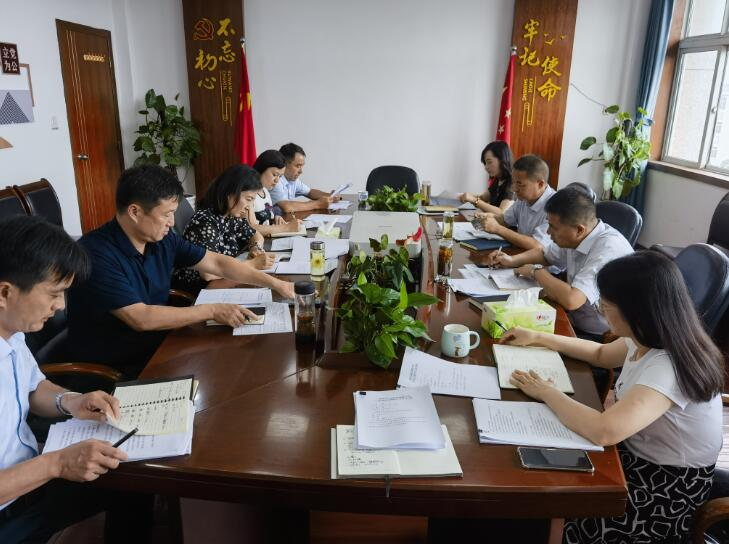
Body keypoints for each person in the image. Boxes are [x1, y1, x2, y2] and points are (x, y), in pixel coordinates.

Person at [503, 251, 723, 544]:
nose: (600, 309)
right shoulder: (647, 335)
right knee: (545, 470)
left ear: (636, 309)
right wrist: (538, 337)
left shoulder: (668, 366)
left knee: (564, 494)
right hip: (635, 453)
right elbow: (600, 353)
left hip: (664, 487)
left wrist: (546, 391)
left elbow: (604, 431)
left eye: (605, 305)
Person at [0, 216, 153, 543]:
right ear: (5, 292)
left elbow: (33, 387)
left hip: (30, 474)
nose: (60, 307)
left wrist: (71, 401)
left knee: (134, 480)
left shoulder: (11, 332)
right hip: (8, 508)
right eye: (54, 294)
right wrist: (56, 464)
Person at [67, 165, 296, 377]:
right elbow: (141, 318)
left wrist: (276, 284)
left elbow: (217, 263)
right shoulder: (95, 254)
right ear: (135, 212)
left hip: (162, 343)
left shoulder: (161, 239)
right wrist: (212, 310)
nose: (171, 222)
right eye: (166, 214)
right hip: (120, 368)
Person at [489, 186, 633, 337]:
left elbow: (572, 300)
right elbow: (545, 254)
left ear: (579, 230)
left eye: (553, 227)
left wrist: (535, 271)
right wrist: (511, 260)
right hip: (574, 319)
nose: (548, 232)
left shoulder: (607, 250)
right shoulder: (577, 237)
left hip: (599, 336)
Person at [172, 164, 276, 293]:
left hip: (223, 280)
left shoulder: (230, 216)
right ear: (230, 194)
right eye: (248, 199)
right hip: (199, 290)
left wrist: (256, 247)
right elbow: (208, 274)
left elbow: (256, 235)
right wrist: (252, 264)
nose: (249, 206)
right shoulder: (205, 221)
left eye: (252, 201)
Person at [476, 154, 555, 250]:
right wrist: (488, 218)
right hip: (521, 253)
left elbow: (537, 245)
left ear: (540, 184)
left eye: (520, 184)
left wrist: (498, 229)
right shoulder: (524, 198)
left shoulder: (555, 206)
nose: (514, 189)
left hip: (539, 258)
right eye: (513, 182)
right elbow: (506, 220)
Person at [269, 142, 342, 213]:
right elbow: (286, 207)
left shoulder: (292, 179)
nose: (301, 171)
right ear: (284, 164)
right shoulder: (275, 180)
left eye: (302, 166)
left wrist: (330, 196)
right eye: (298, 166)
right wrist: (318, 204)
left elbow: (310, 192)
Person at [249, 149, 304, 237]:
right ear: (262, 168)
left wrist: (275, 218)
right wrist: (286, 228)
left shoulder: (266, 192)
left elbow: (268, 215)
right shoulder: (248, 195)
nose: (277, 180)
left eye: (280, 176)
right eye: (274, 175)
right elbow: (251, 228)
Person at [459, 141, 515, 214]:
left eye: (489, 162)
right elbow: (483, 198)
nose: (486, 167)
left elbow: (501, 212)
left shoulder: (513, 181)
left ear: (502, 160)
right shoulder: (499, 179)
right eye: (485, 163)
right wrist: (465, 196)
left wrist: (474, 200)